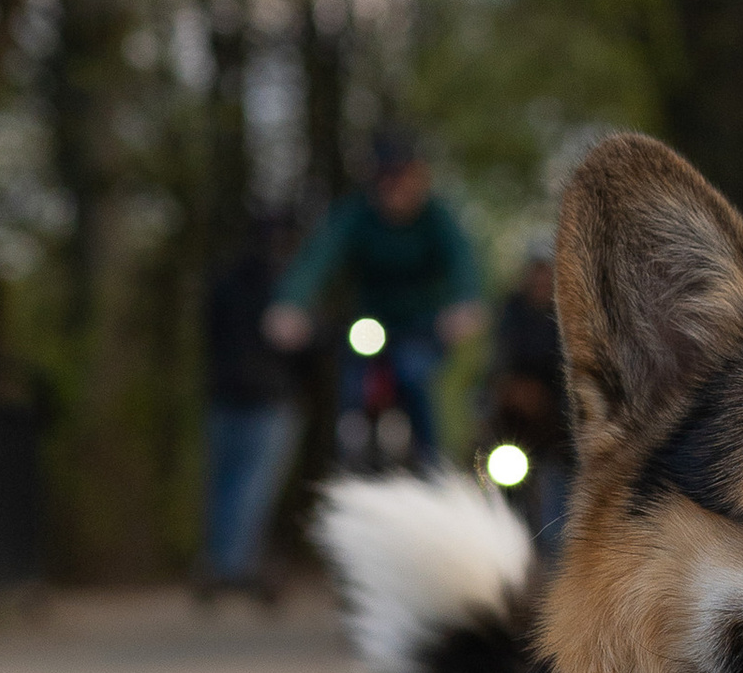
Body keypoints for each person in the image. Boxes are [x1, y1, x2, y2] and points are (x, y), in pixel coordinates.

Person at [265, 132, 483, 466]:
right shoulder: (356, 214)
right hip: (369, 325)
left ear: (418, 176)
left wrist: (465, 304)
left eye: (402, 175)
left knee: (414, 375)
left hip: (422, 327)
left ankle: (433, 466)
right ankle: (348, 457)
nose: (394, 186)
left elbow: (463, 262)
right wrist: (290, 304)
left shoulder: (437, 218)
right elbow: (319, 257)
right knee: (351, 384)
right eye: (386, 177)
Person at [195, 212, 305, 604]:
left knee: (224, 481)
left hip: (223, 394)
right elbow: (303, 341)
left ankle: (220, 561)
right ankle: (235, 567)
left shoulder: (223, 280)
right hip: (269, 398)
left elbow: (208, 332)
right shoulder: (287, 286)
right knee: (254, 484)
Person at [478, 245, 574, 548]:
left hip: (559, 425)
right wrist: (505, 390)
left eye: (547, 273)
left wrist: (549, 399)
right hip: (514, 426)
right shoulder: (511, 312)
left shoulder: (570, 317)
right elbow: (495, 363)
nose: (540, 281)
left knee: (560, 492)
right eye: (536, 272)